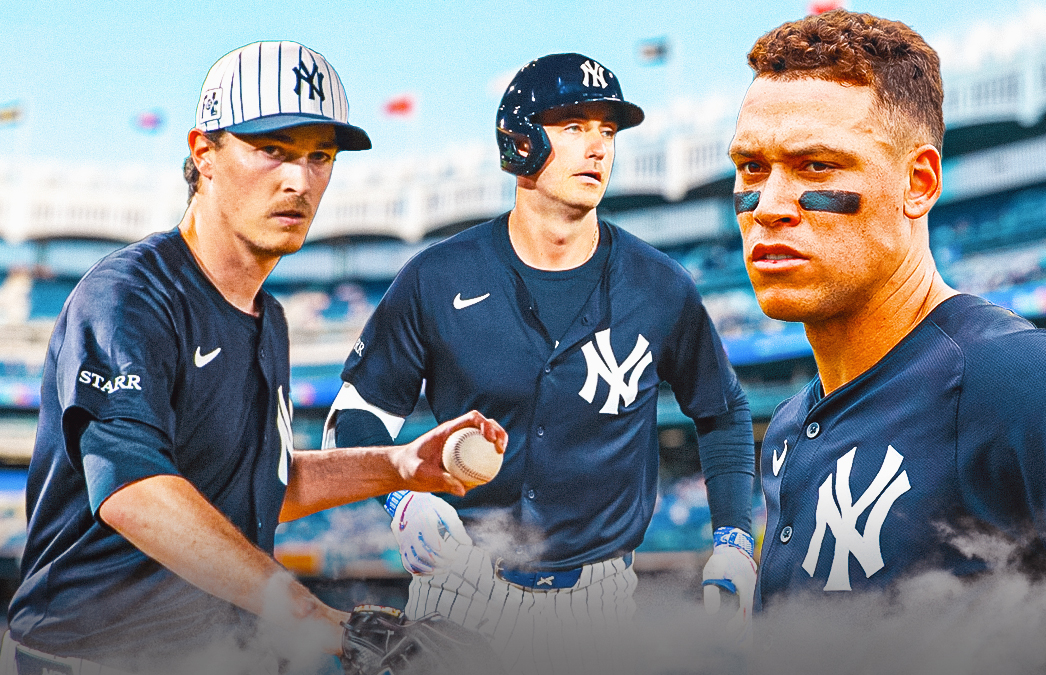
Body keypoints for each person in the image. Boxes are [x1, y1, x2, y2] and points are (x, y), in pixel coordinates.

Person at [4, 41, 505, 675]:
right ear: (203, 153)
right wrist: (324, 624)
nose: (299, 180)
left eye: (319, 157)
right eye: (273, 150)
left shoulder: (269, 321)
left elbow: (252, 492)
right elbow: (134, 491)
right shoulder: (130, 296)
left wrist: (398, 464)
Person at [731, 10, 1046, 673]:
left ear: (917, 183)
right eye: (752, 166)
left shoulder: (1018, 377)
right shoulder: (788, 427)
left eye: (816, 163)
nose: (770, 203)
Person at [324, 52, 757, 673]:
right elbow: (354, 416)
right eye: (574, 126)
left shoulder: (660, 285)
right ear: (520, 139)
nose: (598, 148)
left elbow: (723, 412)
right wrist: (403, 501)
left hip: (600, 601)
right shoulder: (437, 275)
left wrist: (734, 540)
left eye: (607, 131)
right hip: (461, 584)